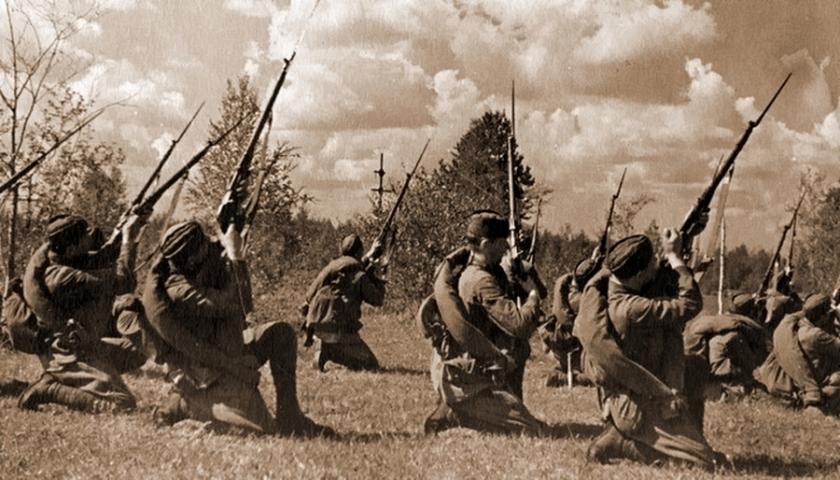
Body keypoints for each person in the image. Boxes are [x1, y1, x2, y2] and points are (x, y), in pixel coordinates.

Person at [143, 221, 331, 436]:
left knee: (280, 334)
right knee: (262, 431)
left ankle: (290, 416)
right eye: (204, 243)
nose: (210, 244)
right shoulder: (179, 289)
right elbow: (239, 306)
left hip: (228, 350)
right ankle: (183, 404)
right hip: (209, 371)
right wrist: (235, 256)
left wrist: (231, 229)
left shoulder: (193, 268)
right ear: (192, 258)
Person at [580, 230, 721, 468]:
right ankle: (623, 443)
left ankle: (683, 435)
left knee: (696, 366)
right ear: (638, 275)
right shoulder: (632, 309)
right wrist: (675, 258)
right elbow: (690, 304)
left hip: (638, 392)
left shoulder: (613, 285)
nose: (658, 262)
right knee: (705, 463)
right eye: (652, 262)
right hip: (638, 405)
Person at [421, 211, 549, 435]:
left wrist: (514, 276)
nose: (506, 249)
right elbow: (519, 326)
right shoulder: (481, 280)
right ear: (485, 244)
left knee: (529, 422)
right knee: (530, 430)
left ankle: (480, 408)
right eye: (501, 243)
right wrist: (532, 296)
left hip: (469, 368)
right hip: (469, 376)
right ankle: (454, 412)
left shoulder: (472, 271)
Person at [17, 213, 147, 413]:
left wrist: (125, 228)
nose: (91, 236)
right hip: (68, 352)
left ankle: (79, 377)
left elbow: (102, 257)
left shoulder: (62, 257)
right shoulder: (62, 278)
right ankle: (50, 388)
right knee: (123, 404)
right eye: (85, 236)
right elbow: (124, 282)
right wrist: (128, 240)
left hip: (84, 343)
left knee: (140, 349)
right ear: (71, 248)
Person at [301, 234, 385, 372]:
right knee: (371, 365)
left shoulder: (331, 267)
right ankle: (330, 351)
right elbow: (377, 300)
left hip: (318, 326)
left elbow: (309, 295)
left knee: (336, 338)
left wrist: (371, 253)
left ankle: (323, 349)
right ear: (359, 252)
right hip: (341, 329)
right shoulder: (359, 273)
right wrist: (379, 275)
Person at [754, 293, 840, 415]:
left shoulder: (790, 325)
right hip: (816, 380)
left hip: (793, 379)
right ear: (824, 316)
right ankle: (827, 405)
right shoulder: (815, 335)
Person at [542, 256, 599, 387]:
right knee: (601, 377)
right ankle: (563, 378)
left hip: (558, 344)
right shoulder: (580, 300)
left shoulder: (566, 288)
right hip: (570, 346)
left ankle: (563, 369)